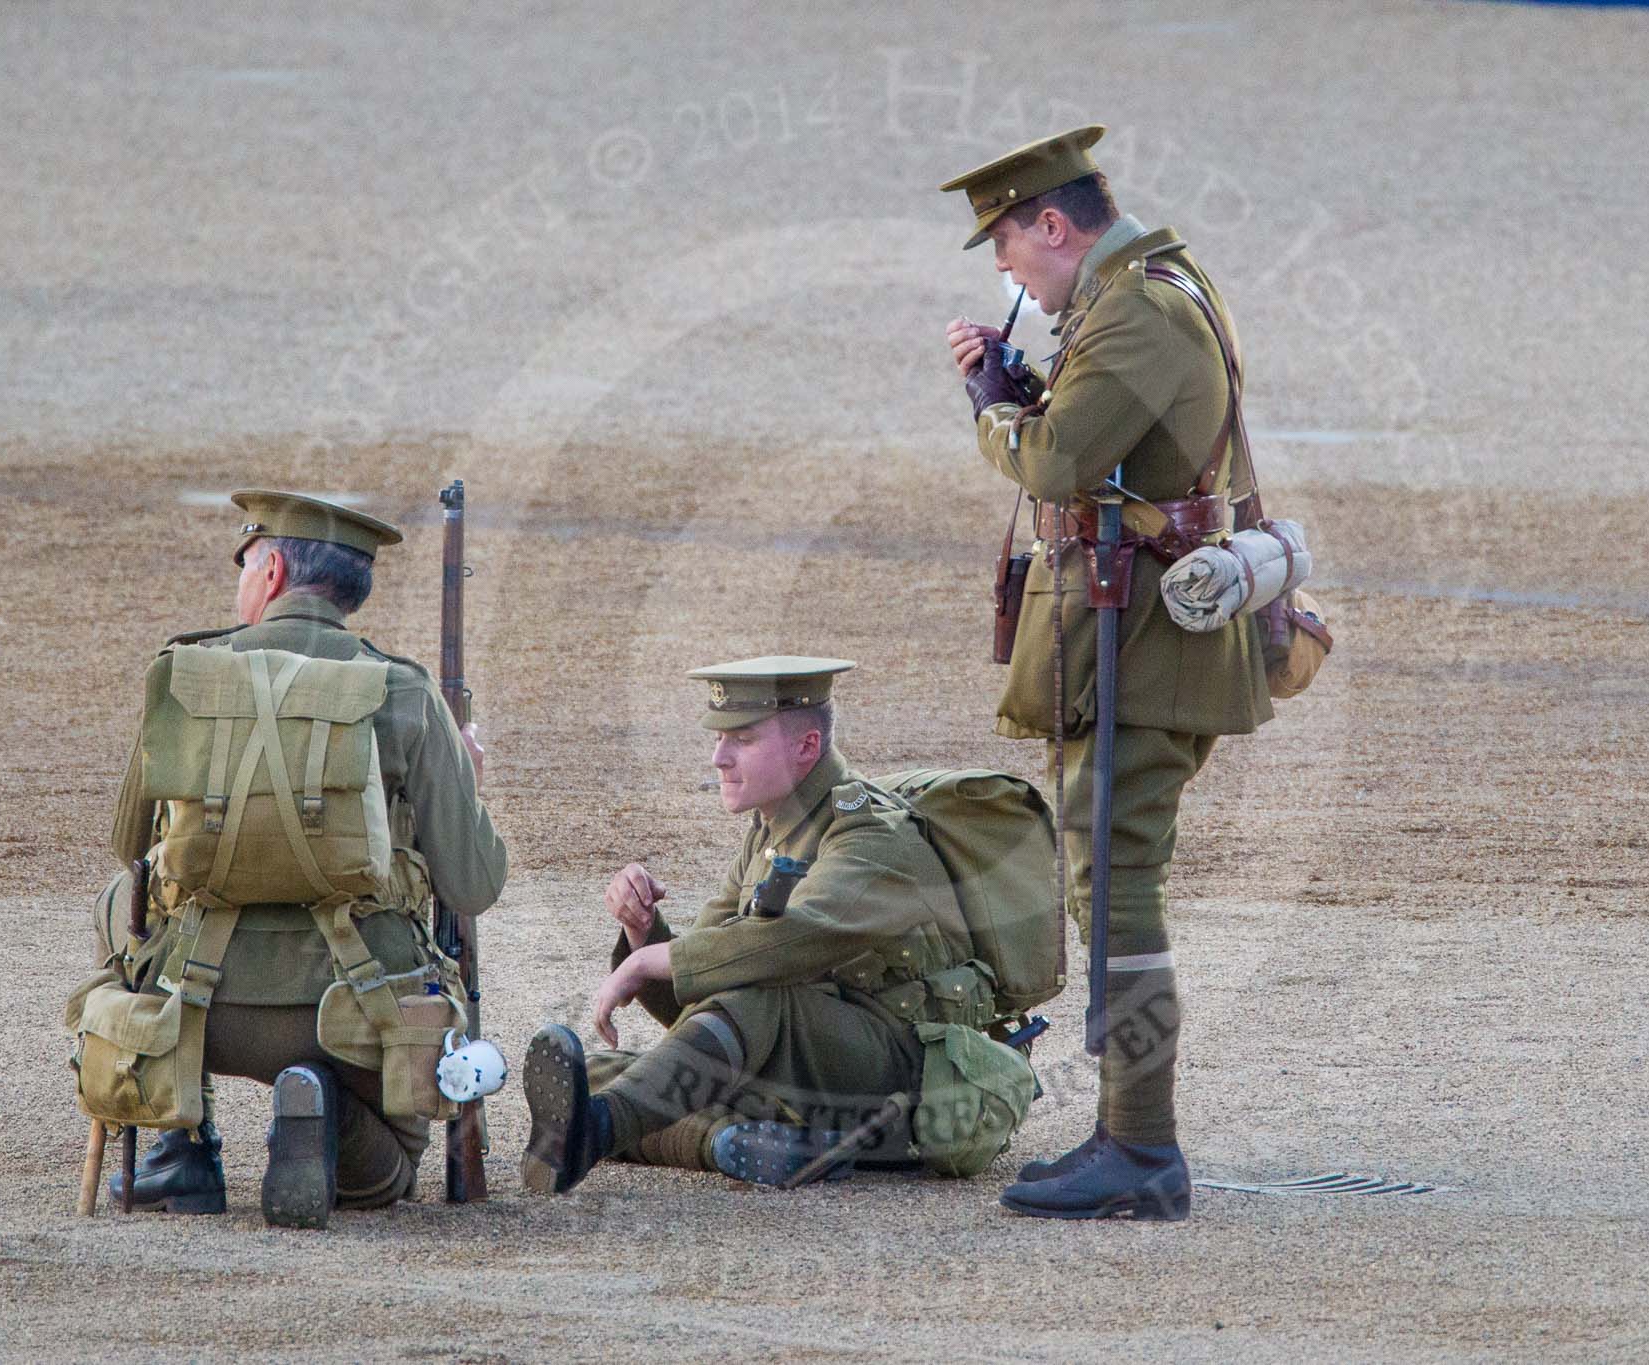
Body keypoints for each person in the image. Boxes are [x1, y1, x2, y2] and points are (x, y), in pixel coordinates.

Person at [940, 127, 1273, 1220]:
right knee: (1110, 881)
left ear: (1052, 224)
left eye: (1008, 251)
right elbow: (1112, 446)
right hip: (1132, 631)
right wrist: (1032, 385)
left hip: (1141, 640)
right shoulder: (1150, 289)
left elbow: (1058, 464)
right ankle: (1125, 1138)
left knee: (1117, 887)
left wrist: (995, 408)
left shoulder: (1134, 307)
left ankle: (1139, 1149)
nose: (1008, 276)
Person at [95, 489, 507, 1224]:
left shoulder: (184, 671)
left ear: (275, 568)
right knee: (389, 1173)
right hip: (360, 1010)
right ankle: (319, 1110)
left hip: (200, 1001)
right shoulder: (406, 689)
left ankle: (183, 1145)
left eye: (246, 563)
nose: (242, 580)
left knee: (106, 903)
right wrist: (464, 782)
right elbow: (473, 883)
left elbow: (130, 847)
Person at [518, 657, 990, 1192]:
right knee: (608, 1075)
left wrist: (651, 960)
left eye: (741, 740)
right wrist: (643, 932)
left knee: (747, 1006)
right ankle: (730, 1144)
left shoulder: (869, 834)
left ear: (806, 747)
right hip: (803, 1064)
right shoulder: (772, 829)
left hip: (901, 1079)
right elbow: (697, 1003)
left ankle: (596, 1134)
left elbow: (794, 939)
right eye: (719, 739)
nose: (719, 758)